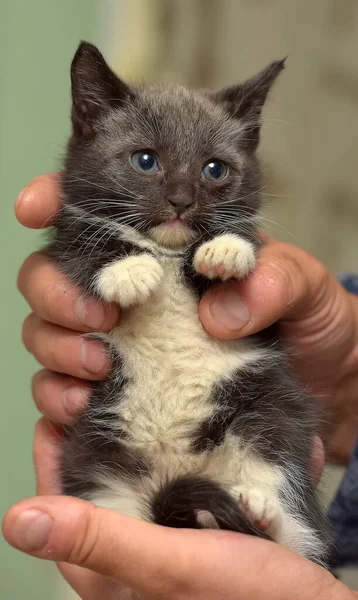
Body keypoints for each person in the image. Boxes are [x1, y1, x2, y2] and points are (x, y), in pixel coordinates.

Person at [2, 173, 358, 599]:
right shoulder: (95, 230)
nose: (180, 196)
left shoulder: (217, 243)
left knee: (278, 418)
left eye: (214, 171)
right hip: (127, 468)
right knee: (113, 524)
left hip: (235, 433)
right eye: (145, 161)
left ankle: (269, 522)